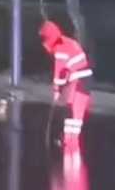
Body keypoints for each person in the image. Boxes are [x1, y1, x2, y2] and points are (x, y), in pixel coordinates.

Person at [39, 21, 93, 151]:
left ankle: (71, 145)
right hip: (82, 80)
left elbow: (60, 72)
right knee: (72, 112)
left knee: (74, 113)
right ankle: (70, 143)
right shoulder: (67, 42)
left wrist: (56, 91)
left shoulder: (60, 49)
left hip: (79, 80)